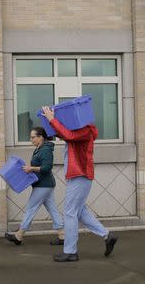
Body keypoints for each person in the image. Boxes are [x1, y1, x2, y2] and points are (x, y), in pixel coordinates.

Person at [41, 105, 118, 262]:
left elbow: (68, 135)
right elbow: (64, 133)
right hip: (77, 176)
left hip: (80, 175)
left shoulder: (85, 130)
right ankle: (107, 236)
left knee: (70, 212)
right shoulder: (80, 131)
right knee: (80, 211)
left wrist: (52, 119)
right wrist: (53, 120)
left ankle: (70, 252)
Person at [4, 127, 65, 246]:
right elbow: (38, 166)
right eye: (31, 137)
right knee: (52, 209)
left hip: (44, 185)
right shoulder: (39, 149)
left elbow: (47, 168)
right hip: (44, 185)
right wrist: (28, 168)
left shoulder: (46, 149)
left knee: (30, 209)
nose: (31, 139)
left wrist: (31, 168)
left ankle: (19, 235)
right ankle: (62, 235)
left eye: (33, 137)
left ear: (41, 137)